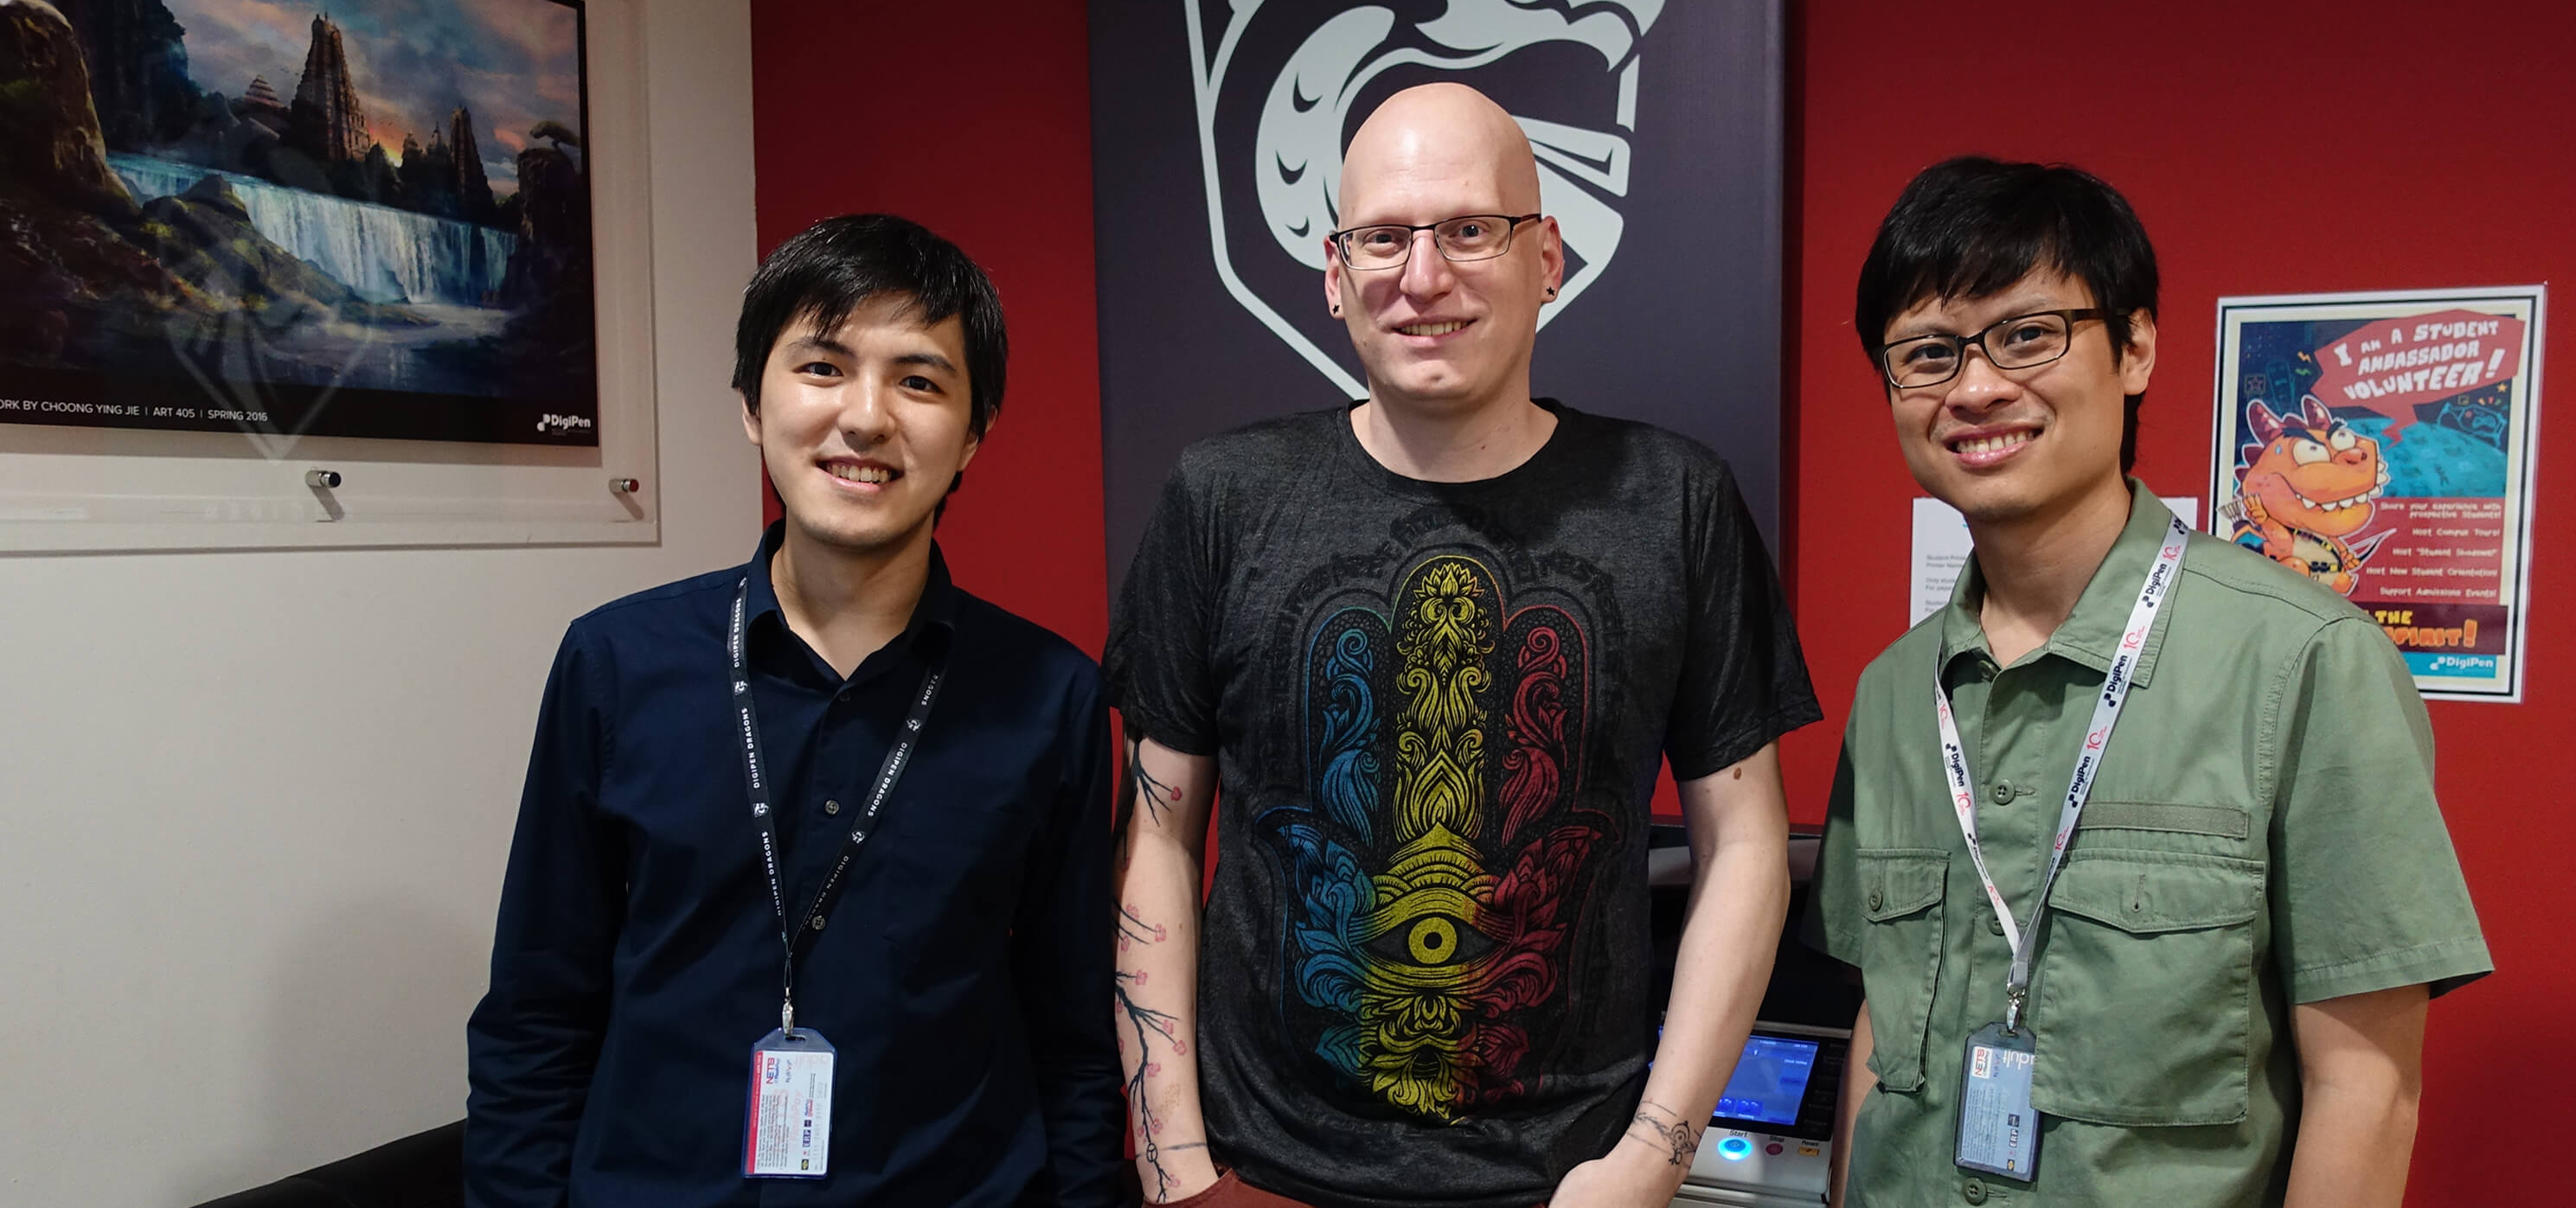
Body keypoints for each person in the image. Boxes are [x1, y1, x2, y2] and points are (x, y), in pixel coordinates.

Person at [1105, 82, 1823, 1208]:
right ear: (1336, 273)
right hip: (1263, 1171)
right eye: (1384, 235)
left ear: (1548, 258)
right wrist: (1175, 1160)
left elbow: (1745, 843)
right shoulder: (1222, 497)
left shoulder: (1674, 502)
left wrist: (1650, 1158)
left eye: (1470, 229)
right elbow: (1155, 835)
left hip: (1567, 1178)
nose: (1423, 276)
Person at [1803, 157, 2491, 1207]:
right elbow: (1876, 1029)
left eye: (2026, 335)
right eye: (1927, 354)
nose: (1976, 387)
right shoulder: (1897, 691)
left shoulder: (2303, 661)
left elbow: (2366, 1086)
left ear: (2133, 348)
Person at [465, 214, 1128, 1207]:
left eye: (918, 380)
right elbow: (536, 1012)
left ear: (973, 434)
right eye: (821, 367)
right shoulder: (614, 663)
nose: (864, 418)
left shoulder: (1051, 695)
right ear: (750, 402)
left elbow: (1073, 1034)